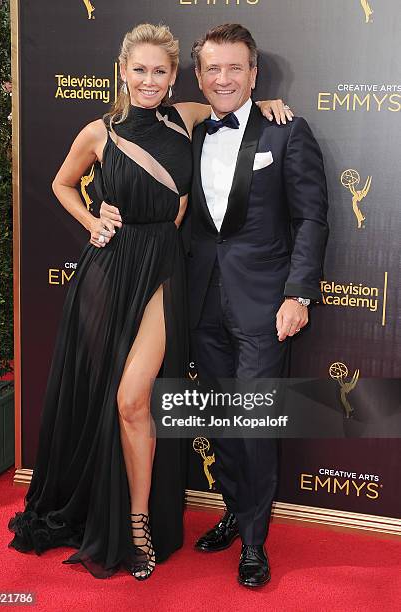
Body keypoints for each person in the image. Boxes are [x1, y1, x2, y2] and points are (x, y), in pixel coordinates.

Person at [8, 23, 291, 581]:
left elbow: (234, 103)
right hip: (107, 274)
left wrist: (271, 102)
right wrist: (93, 221)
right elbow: (63, 184)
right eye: (139, 69)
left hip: (164, 271)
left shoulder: (184, 117)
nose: (149, 80)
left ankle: (137, 520)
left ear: (173, 76)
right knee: (100, 399)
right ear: (122, 70)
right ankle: (97, 504)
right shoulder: (98, 131)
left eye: (160, 70)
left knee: (134, 399)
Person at [187, 23, 329, 588]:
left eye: (235, 68)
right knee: (220, 422)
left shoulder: (288, 132)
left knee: (253, 423)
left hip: (265, 307)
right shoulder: (189, 131)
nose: (224, 78)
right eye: (213, 69)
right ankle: (233, 509)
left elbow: (312, 218)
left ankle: (254, 542)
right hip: (200, 304)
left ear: (254, 73)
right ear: (199, 77)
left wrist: (298, 293)